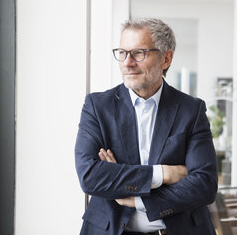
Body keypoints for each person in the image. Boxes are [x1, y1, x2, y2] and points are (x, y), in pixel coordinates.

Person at [75, 18, 218, 235]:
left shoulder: (191, 110)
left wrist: (135, 198)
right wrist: (163, 174)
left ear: (166, 58)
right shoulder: (97, 107)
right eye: (122, 52)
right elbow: (90, 176)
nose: (127, 62)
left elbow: (204, 184)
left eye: (139, 53)